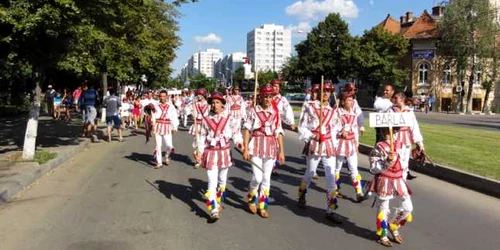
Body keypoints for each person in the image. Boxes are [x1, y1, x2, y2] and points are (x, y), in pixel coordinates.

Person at [297, 82, 342, 224]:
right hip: (315, 143)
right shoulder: (310, 108)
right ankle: (302, 194)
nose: (326, 93)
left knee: (331, 178)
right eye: (324, 90)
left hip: (328, 145)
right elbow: (302, 127)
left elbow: (336, 129)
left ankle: (331, 209)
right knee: (310, 173)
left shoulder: (333, 111)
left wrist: (342, 133)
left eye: (329, 91)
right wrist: (312, 136)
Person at [194, 90, 243, 222]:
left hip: (224, 153)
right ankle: (213, 210)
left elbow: (236, 132)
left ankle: (218, 200)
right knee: (211, 183)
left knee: (222, 181)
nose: (215, 105)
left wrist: (239, 143)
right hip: (210, 153)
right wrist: (199, 151)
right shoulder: (206, 119)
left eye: (217, 102)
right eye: (213, 102)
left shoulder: (229, 118)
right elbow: (202, 137)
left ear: (223, 104)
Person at [242, 84, 285, 219]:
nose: (268, 99)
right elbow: (247, 129)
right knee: (258, 177)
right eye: (265, 96)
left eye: (270, 96)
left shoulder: (276, 112)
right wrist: (245, 148)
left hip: (271, 147)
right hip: (256, 145)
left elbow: (278, 131)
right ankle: (251, 196)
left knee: (266, 178)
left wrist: (281, 151)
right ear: (261, 97)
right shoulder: (253, 110)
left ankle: (262, 205)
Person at [368, 127, 413, 247]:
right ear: (382, 132)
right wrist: (387, 161)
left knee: (408, 208)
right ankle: (382, 234)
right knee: (383, 208)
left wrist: (403, 177)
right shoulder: (379, 147)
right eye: (385, 131)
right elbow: (373, 167)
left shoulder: (402, 145)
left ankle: (393, 224)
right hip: (385, 179)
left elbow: (404, 164)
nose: (388, 134)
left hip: (398, 179)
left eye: (392, 131)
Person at [334, 93, 366, 202]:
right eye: (348, 100)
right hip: (340, 144)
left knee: (354, 168)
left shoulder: (354, 114)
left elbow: (355, 130)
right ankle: (335, 188)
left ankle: (359, 192)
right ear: (343, 102)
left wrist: (356, 144)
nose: (351, 102)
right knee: (337, 167)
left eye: (352, 100)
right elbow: (333, 127)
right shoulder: (337, 113)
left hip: (351, 144)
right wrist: (340, 132)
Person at [392, 91, 425, 180]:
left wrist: (420, 144)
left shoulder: (409, 112)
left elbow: (414, 128)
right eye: (393, 98)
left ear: (402, 99)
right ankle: (393, 183)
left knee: (404, 163)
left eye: (396, 98)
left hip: (406, 141)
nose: (393, 100)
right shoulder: (390, 110)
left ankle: (402, 183)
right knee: (394, 162)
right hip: (393, 140)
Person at [270, 79, 295, 176]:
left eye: (277, 86)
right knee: (269, 143)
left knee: (276, 145)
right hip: (267, 123)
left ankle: (273, 165)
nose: (275, 88)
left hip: (278, 124)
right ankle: (269, 164)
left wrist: (291, 122)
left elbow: (288, 110)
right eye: (274, 86)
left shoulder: (282, 99)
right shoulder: (267, 97)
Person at [151, 90, 179, 168]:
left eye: (164, 96)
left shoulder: (170, 106)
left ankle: (167, 155)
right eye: (161, 96)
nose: (162, 98)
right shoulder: (155, 105)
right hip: (158, 126)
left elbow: (174, 116)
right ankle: (159, 162)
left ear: (167, 97)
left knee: (169, 145)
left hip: (167, 126)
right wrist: (152, 122)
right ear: (159, 97)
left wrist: (175, 126)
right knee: (158, 145)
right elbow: (152, 115)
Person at [189, 88, 210, 169]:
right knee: (196, 142)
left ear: (204, 95)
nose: (199, 96)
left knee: (202, 142)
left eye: (200, 94)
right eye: (198, 94)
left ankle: (199, 160)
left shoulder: (208, 104)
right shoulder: (195, 103)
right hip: (197, 124)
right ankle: (199, 158)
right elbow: (189, 110)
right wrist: (192, 114)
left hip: (205, 125)